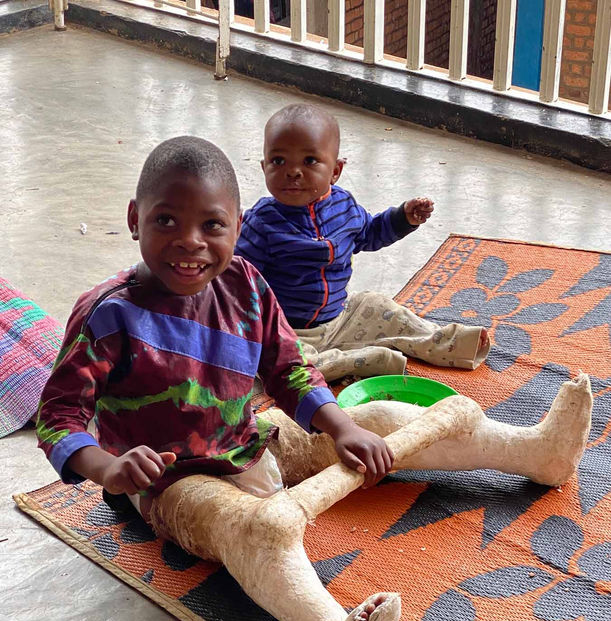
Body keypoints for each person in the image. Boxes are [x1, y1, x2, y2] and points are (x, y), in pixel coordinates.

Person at [36, 136, 394, 525]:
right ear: (135, 220)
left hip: (241, 450)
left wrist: (343, 429)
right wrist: (108, 469)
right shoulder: (109, 314)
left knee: (384, 430)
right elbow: (58, 416)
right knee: (265, 530)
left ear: (237, 227)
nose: (190, 241)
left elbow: (288, 369)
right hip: (163, 482)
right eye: (166, 220)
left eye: (212, 225)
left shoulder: (247, 286)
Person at [235, 103, 490, 381]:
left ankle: (450, 341)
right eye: (278, 161)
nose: (293, 171)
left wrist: (402, 218)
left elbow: (370, 233)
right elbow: (238, 278)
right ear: (264, 167)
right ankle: (367, 361)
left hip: (342, 319)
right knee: (284, 364)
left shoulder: (344, 205)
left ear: (335, 171)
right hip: (288, 331)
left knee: (378, 305)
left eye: (309, 161)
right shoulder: (262, 222)